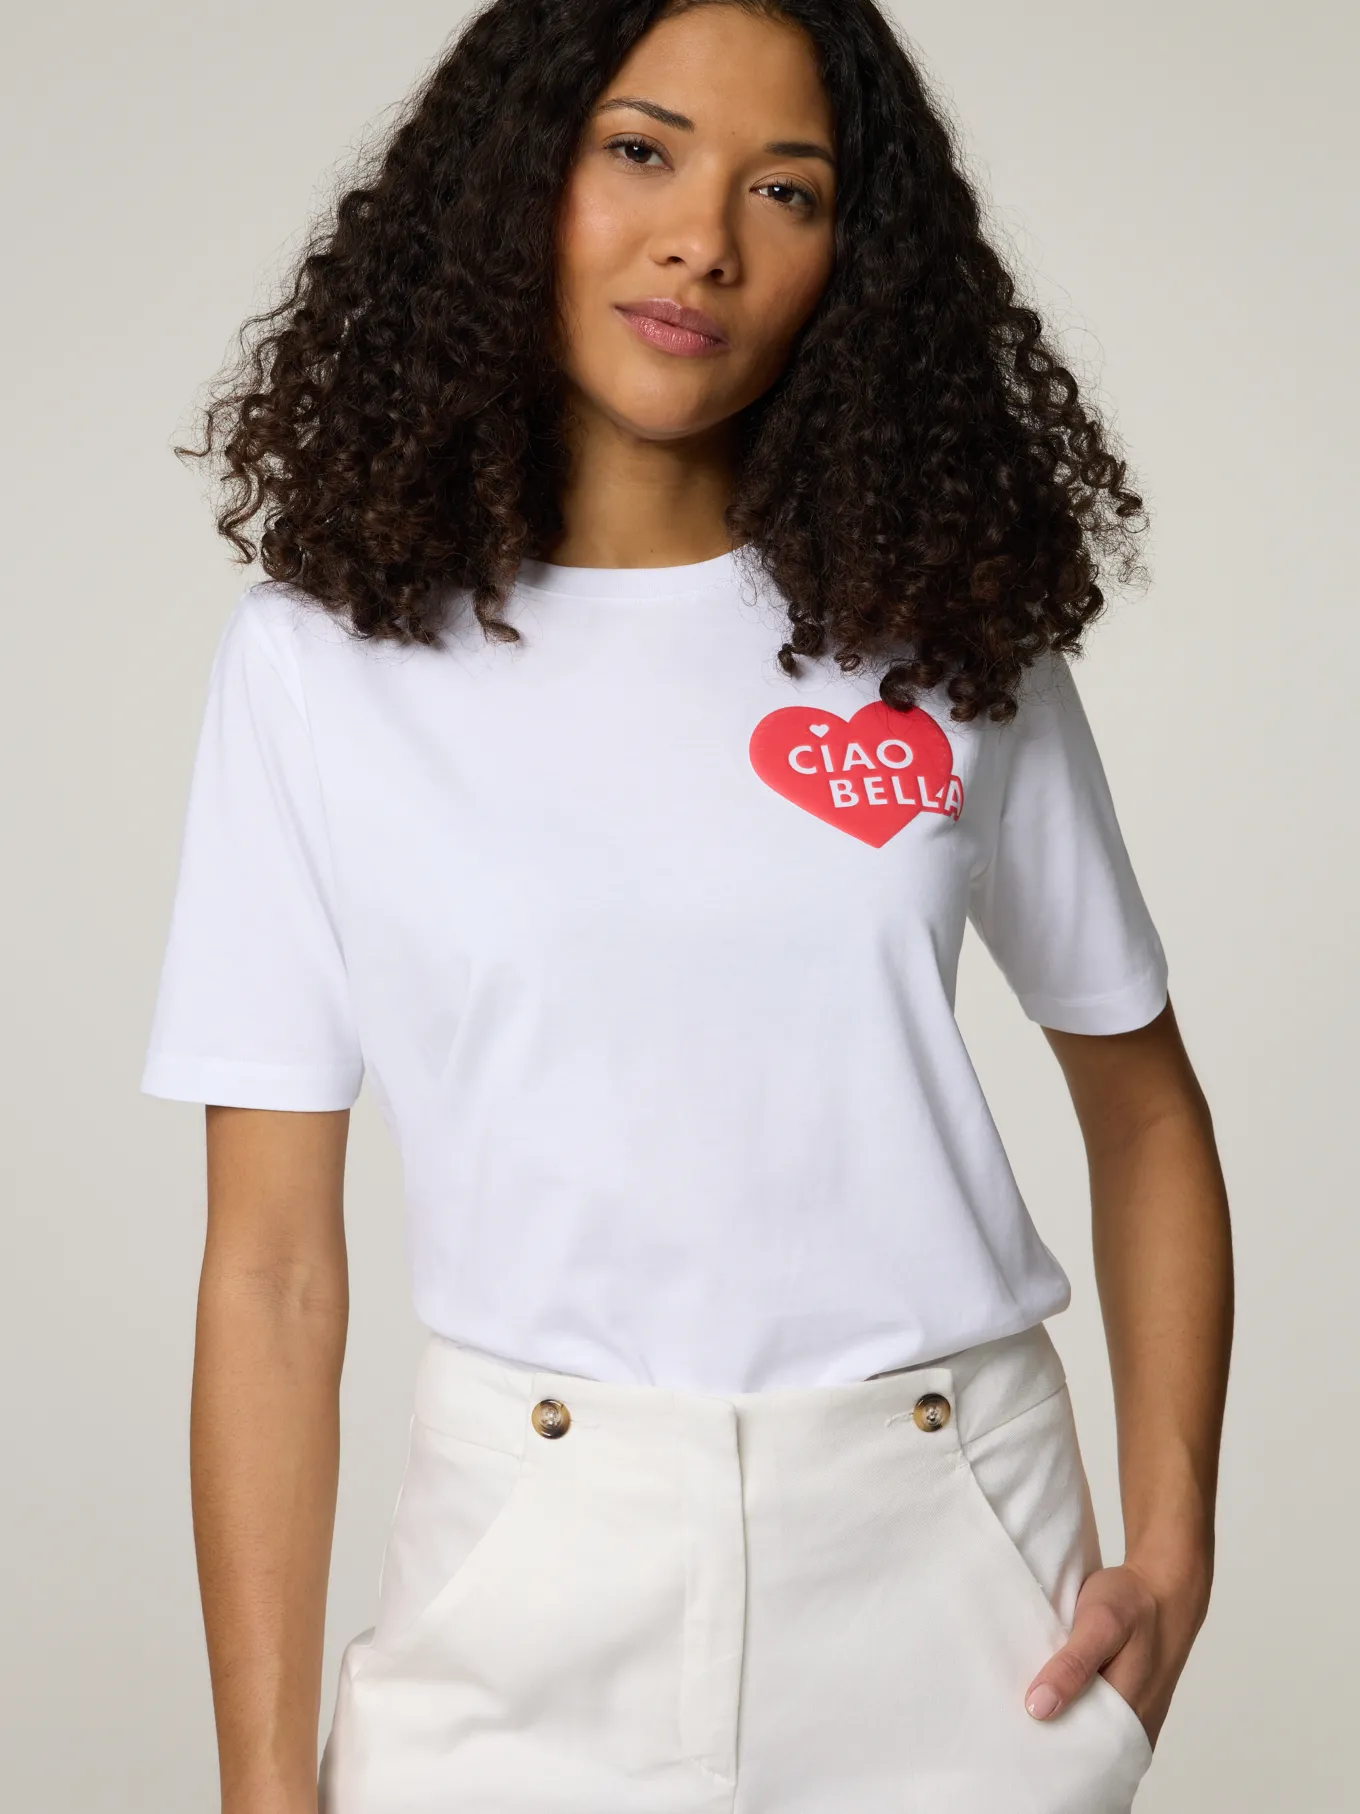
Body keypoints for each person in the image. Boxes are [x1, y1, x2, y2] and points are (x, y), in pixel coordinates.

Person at [140, 2, 1233, 1810]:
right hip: (522, 1568)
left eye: (785, 190)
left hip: (955, 1572)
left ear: (851, 260)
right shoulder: (316, 667)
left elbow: (1149, 1114)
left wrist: (1175, 1542)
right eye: (640, 151)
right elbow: (269, 1269)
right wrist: (263, 1782)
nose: (702, 241)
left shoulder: (943, 628)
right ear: (518, 175)